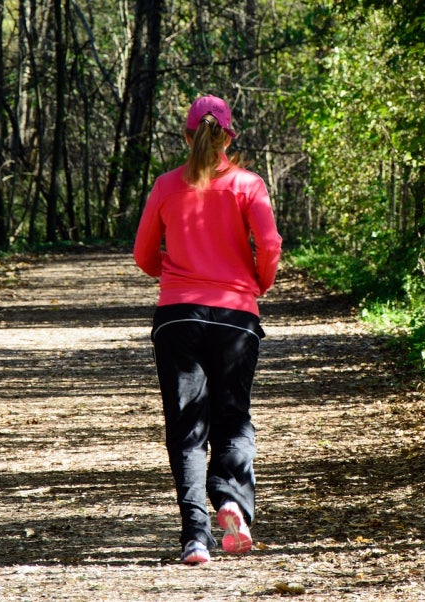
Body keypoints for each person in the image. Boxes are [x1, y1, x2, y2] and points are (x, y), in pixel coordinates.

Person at [133, 94, 282, 565]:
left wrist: (174, 272)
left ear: (187, 134)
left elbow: (142, 256)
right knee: (233, 415)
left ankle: (196, 537)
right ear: (228, 136)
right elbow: (270, 243)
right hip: (236, 315)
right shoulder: (248, 184)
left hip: (178, 317)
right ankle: (232, 502)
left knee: (187, 428)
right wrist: (258, 282)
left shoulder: (165, 186)